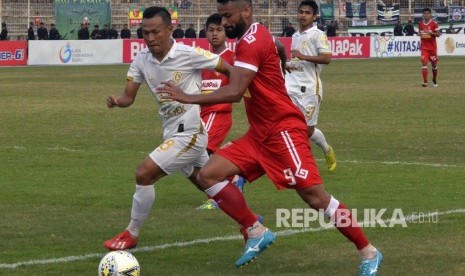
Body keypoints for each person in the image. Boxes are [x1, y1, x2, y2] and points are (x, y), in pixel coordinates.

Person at [157, 0, 383, 274]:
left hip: (283, 130)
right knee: (207, 175)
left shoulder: (250, 42)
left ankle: (368, 251)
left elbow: (235, 92)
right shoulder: (256, 34)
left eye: (228, 16)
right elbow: (277, 47)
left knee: (314, 197)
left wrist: (187, 97)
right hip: (259, 134)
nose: (224, 22)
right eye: (221, 17)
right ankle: (255, 230)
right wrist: (282, 64)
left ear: (246, 12)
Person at [102, 6, 232, 252]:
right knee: (207, 181)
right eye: (145, 33)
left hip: (191, 132)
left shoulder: (189, 53)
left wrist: (240, 90)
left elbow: (227, 68)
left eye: (156, 32)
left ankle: (132, 233)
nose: (150, 38)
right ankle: (250, 222)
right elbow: (129, 96)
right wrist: (118, 101)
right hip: (171, 131)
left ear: (170, 29)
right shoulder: (141, 59)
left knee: (144, 174)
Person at [195, 13, 245, 210]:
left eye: (219, 30)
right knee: (207, 155)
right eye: (211, 30)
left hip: (218, 113)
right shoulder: (200, 58)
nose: (215, 34)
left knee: (199, 151)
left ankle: (217, 195)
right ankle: (234, 178)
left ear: (226, 33)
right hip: (201, 114)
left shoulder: (231, 59)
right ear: (205, 33)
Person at [285, 1, 336, 173]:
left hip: (310, 89)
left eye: (307, 12)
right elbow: (297, 60)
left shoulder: (317, 34)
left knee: (307, 130)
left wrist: (303, 56)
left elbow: (327, 58)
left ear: (314, 16)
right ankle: (297, 164)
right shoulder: (294, 35)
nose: (303, 15)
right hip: (291, 85)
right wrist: (288, 64)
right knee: (288, 124)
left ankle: (327, 149)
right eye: (301, 12)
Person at [419, 7, 440, 87]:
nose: (426, 15)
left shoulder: (434, 23)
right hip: (424, 47)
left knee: (434, 65)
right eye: (425, 14)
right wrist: (419, 34)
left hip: (432, 48)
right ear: (423, 15)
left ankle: (434, 79)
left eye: (428, 13)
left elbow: (438, 34)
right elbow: (420, 32)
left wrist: (430, 33)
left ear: (430, 15)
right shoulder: (420, 23)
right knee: (424, 63)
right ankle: (425, 82)